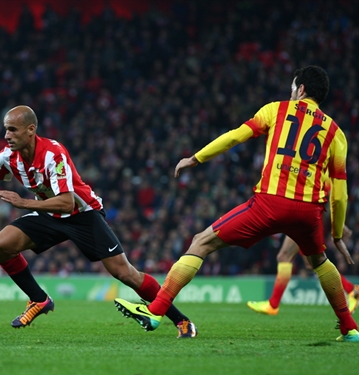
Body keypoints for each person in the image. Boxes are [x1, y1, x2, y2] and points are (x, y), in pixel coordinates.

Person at [114, 65, 359, 342]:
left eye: (293, 88)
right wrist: (337, 234)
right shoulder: (336, 133)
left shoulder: (276, 110)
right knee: (320, 261)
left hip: (270, 203)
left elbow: (234, 136)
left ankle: (155, 311)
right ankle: (349, 327)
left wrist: (196, 158)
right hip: (308, 212)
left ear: (300, 89)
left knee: (201, 241)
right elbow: (340, 192)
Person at [0, 105, 198, 338]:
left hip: (83, 215)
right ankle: (39, 299)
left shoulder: (53, 154)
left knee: (125, 273)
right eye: (5, 130)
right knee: (0, 246)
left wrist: (24, 203)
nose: (7, 136)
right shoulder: (9, 156)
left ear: (31, 130)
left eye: (13, 130)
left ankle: (181, 320)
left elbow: (67, 202)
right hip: (49, 213)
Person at [247, 226, 358, 315]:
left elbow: (329, 199)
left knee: (304, 259)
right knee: (291, 258)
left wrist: (339, 223)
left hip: (302, 219)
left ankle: (273, 305)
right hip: (298, 220)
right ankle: (351, 290)